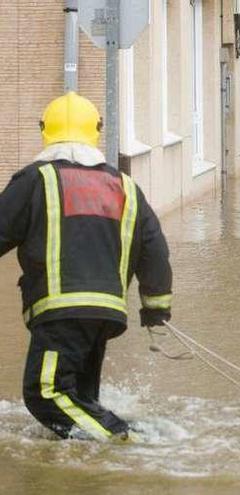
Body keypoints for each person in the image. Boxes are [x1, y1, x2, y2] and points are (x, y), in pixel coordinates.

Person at [0, 92, 173, 442]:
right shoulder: (125, 186)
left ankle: (125, 439)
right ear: (96, 131)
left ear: (44, 131)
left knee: (44, 394)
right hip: (106, 314)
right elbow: (154, 248)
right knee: (78, 399)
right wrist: (155, 310)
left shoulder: (36, 179)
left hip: (61, 314)